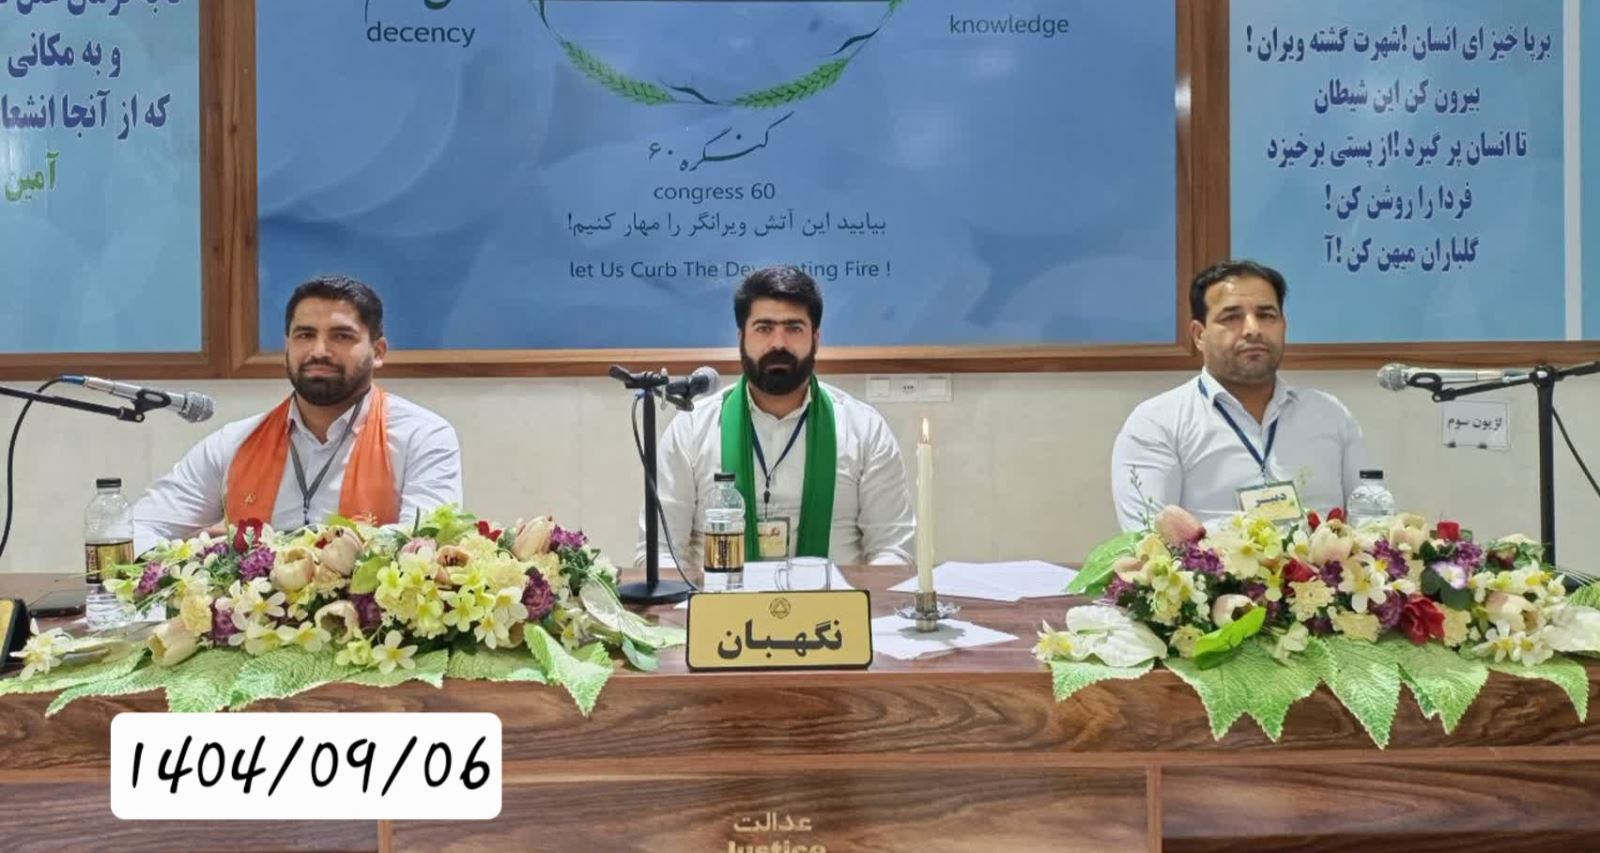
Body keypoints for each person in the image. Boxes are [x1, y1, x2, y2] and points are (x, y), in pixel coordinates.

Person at [133, 275, 462, 551]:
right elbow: (136, 530)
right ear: (287, 347)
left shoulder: (421, 437)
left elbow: (422, 544)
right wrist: (192, 554)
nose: (319, 351)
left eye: (341, 336)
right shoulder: (235, 443)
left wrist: (280, 552)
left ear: (378, 352)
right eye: (305, 335)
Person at [637, 265, 915, 570]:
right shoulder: (691, 429)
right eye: (764, 328)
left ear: (816, 339)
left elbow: (893, 552)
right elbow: (659, 555)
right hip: (719, 599)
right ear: (741, 337)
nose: (778, 343)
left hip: (836, 600)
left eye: (794, 328)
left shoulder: (864, 430)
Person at [1110, 260, 1368, 530]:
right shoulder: (1158, 423)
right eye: (1231, 317)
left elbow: (1370, 523)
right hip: (1214, 559)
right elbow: (1148, 540)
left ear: (1284, 325)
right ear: (1199, 335)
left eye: (1266, 315)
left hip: (1323, 558)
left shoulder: (1330, 415)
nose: (1253, 329)